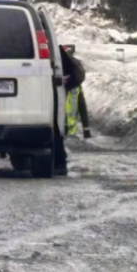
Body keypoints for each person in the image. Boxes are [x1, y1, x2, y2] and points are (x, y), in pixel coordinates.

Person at [55, 45, 87, 175]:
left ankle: (60, 163)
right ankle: (60, 163)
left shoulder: (71, 85)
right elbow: (82, 104)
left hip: (63, 121)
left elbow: (81, 104)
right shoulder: (73, 81)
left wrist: (86, 127)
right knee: (57, 138)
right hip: (62, 122)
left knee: (56, 137)